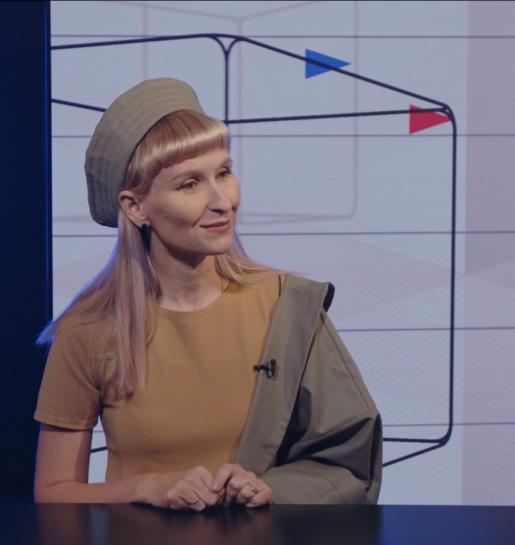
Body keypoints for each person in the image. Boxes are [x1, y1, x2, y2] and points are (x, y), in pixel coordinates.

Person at [33, 78, 382, 511]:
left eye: (224, 173)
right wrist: (147, 487)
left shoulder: (287, 305)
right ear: (135, 207)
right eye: (189, 184)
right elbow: (53, 493)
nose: (223, 201)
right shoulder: (87, 330)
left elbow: (346, 462)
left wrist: (272, 489)